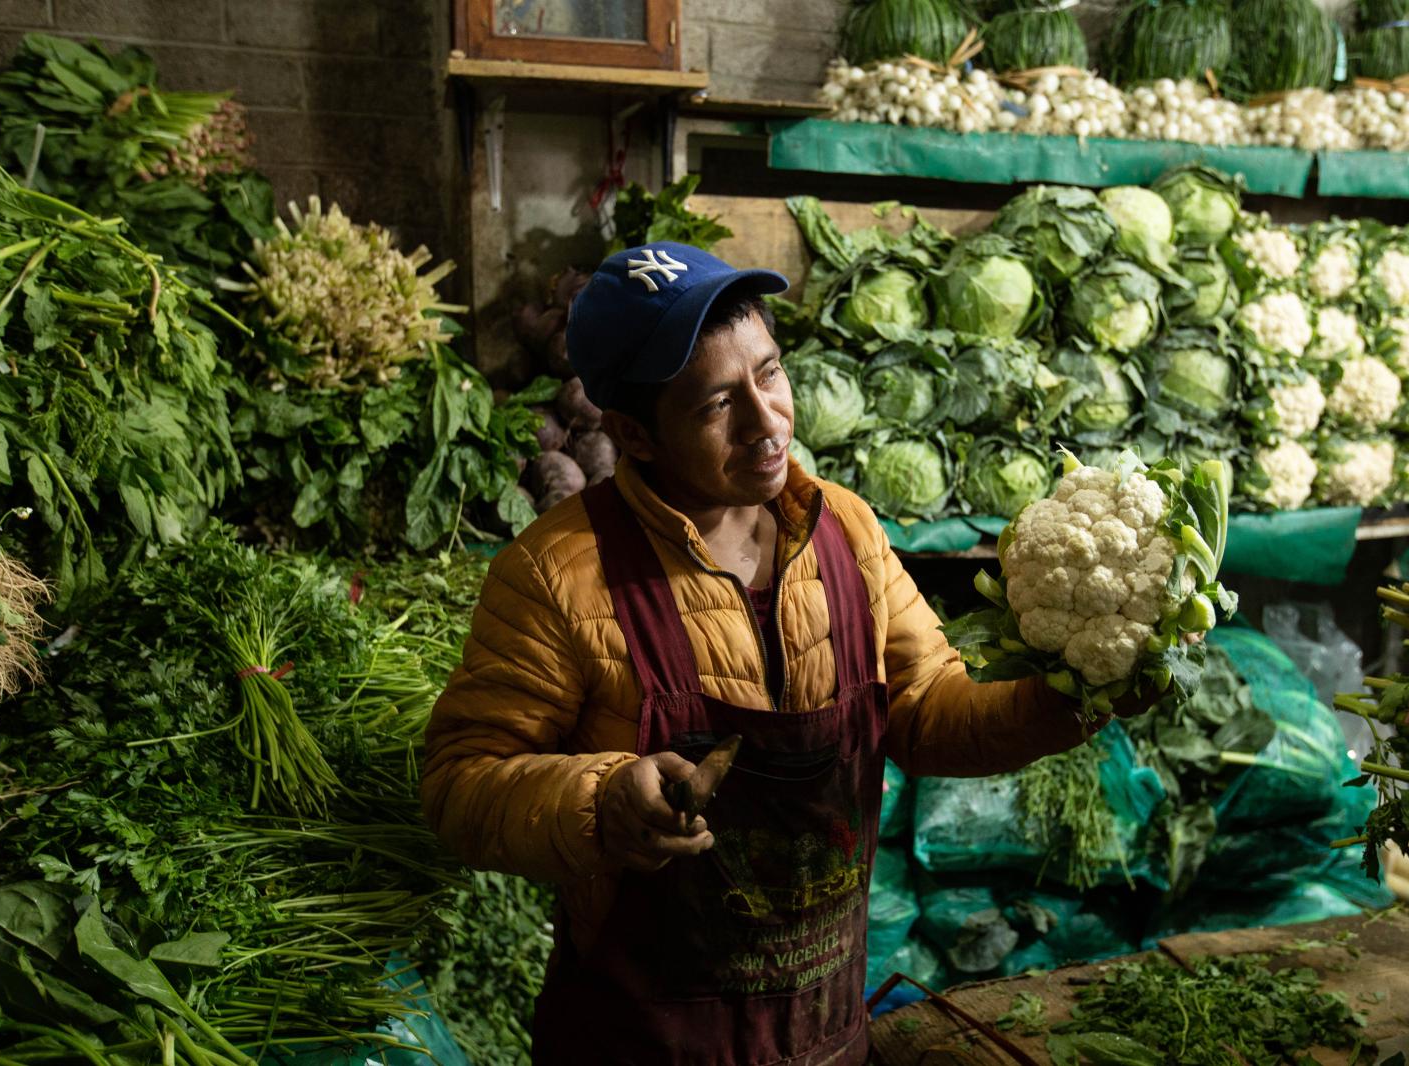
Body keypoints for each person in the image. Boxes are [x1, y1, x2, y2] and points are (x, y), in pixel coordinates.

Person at [421, 241, 1156, 1065]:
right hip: (643, 1044)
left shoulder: (844, 528)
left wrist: (1074, 698)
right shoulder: (557, 575)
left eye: (770, 374)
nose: (767, 422)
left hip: (824, 1037)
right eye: (716, 405)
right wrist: (602, 800)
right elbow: (460, 784)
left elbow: (927, 711)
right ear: (634, 432)